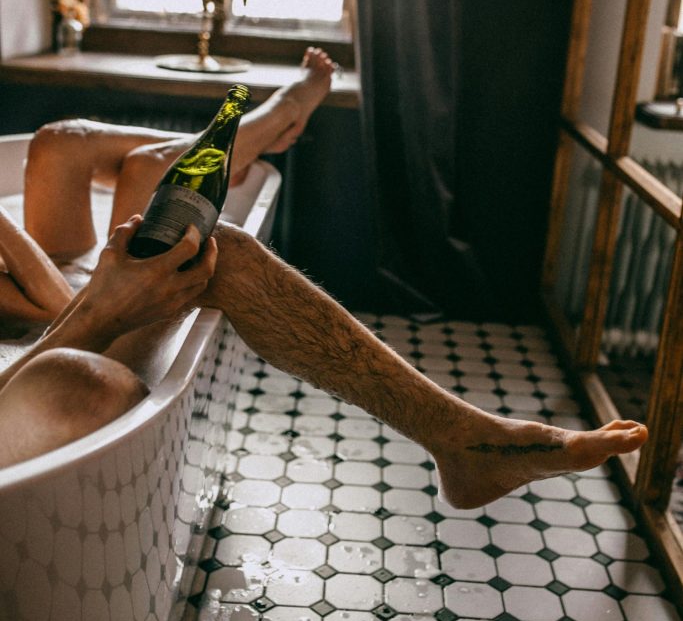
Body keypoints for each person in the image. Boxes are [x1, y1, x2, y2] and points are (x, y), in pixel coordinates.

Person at [0, 51, 648, 507]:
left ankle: (254, 132)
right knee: (159, 281)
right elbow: (50, 312)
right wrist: (103, 304)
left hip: (45, 308)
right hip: (40, 347)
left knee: (66, 144)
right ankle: (464, 440)